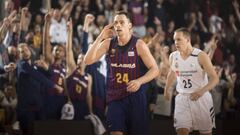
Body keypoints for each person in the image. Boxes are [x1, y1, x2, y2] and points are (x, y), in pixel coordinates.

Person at [84, 11, 159, 135]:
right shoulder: (108, 43)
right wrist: (100, 37)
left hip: (135, 97)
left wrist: (139, 81)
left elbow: (155, 69)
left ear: (129, 25)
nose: (118, 25)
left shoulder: (138, 44)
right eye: (115, 23)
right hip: (115, 98)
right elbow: (87, 60)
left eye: (121, 22)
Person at [164, 27, 219, 135]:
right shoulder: (173, 56)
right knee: (181, 131)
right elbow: (172, 73)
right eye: (174, 40)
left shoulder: (201, 56)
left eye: (179, 39)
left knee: (206, 133)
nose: (176, 43)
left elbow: (215, 78)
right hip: (182, 98)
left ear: (188, 40)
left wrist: (201, 91)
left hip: (201, 98)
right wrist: (166, 89)